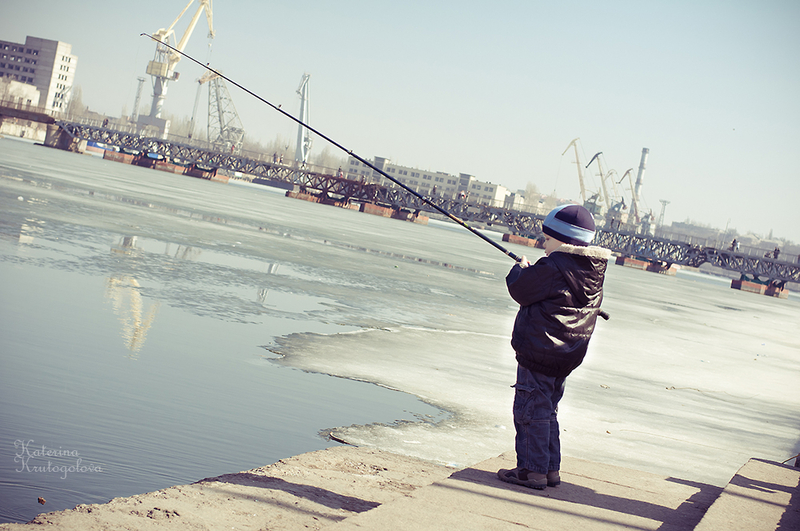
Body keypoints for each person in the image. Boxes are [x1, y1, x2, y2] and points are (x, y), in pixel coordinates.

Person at [498, 204, 611, 490]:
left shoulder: (552, 267)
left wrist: (520, 270)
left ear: (563, 241)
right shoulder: (591, 271)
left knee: (529, 411)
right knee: (547, 410)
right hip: (566, 355)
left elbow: (521, 289)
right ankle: (549, 469)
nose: (544, 245)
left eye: (547, 239)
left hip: (539, 352)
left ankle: (530, 471)